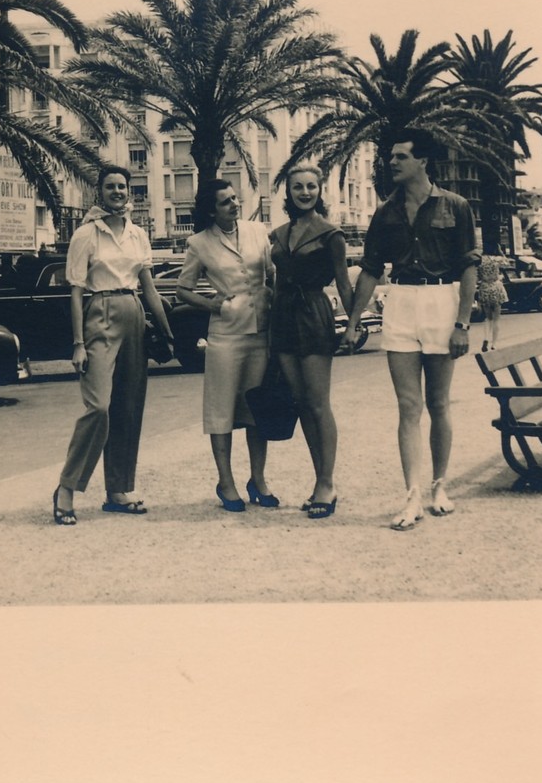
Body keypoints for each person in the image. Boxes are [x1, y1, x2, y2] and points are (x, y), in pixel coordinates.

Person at [341, 130, 480, 530]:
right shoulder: (385, 213)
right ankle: (412, 494)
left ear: (422, 162)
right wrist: (352, 324)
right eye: (390, 157)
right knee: (408, 406)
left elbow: (469, 266)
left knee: (438, 403)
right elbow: (370, 270)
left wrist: (462, 324)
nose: (392, 162)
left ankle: (440, 485)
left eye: (401, 156)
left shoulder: (455, 205)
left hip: (442, 303)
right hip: (400, 303)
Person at [52, 165, 174, 525]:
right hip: (99, 314)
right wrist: (78, 343)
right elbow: (76, 291)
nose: (117, 192)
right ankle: (66, 489)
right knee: (99, 407)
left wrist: (167, 333)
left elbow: (149, 287)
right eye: (110, 187)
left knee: (128, 406)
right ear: (99, 192)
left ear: (129, 192)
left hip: (133, 312)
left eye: (123, 187)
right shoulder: (87, 235)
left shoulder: (138, 234)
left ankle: (118, 490)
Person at [176, 179, 278, 512]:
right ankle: (226, 481)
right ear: (210, 210)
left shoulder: (257, 231)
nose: (234, 205)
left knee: (257, 409)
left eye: (235, 199)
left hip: (261, 332)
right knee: (221, 411)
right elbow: (183, 290)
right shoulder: (199, 243)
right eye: (225, 202)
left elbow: (271, 273)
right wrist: (213, 305)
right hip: (226, 336)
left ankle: (258, 479)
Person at [270, 164, 354, 519]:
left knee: (319, 403)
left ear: (320, 191)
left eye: (311, 187)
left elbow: (344, 283)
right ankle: (320, 479)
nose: (305, 192)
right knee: (301, 402)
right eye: (298, 187)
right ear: (287, 192)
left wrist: (353, 323)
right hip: (284, 315)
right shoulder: (278, 233)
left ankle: (326, 482)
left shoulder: (331, 234)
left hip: (314, 313)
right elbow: (275, 281)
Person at [477, 253, 508, 352]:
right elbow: (507, 263)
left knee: (488, 318)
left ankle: (486, 338)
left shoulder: (480, 260)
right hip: (496, 288)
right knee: (496, 319)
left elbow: (477, 276)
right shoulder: (497, 259)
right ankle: (494, 344)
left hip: (485, 288)